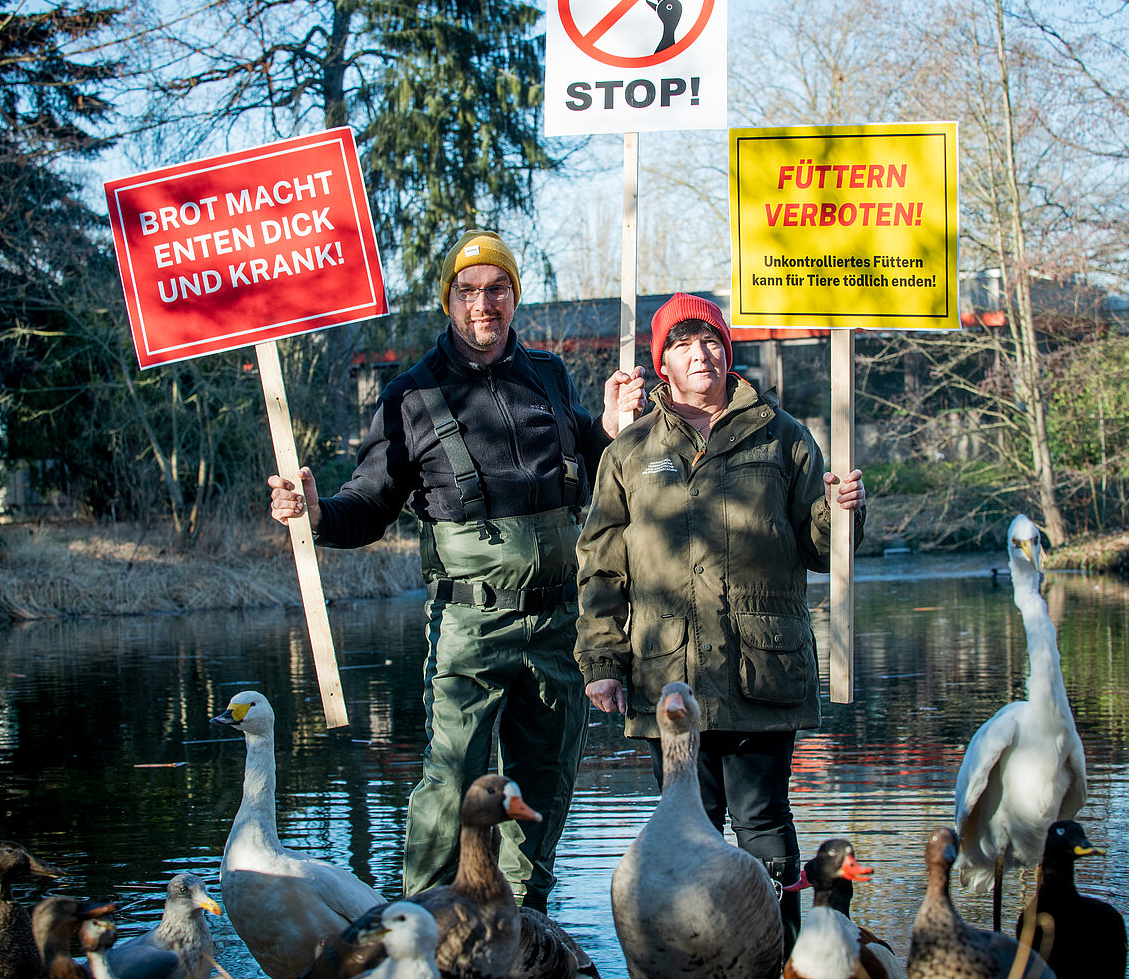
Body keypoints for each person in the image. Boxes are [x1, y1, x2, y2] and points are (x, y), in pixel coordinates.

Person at [267, 229, 643, 909]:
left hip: (559, 622)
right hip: (469, 625)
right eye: (467, 290)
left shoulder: (549, 376)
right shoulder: (411, 394)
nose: (483, 303)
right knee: (452, 777)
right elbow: (369, 504)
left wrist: (611, 428)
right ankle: (429, 922)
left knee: (547, 780)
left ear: (513, 297)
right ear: (448, 298)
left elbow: (591, 464)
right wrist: (318, 513)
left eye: (496, 288)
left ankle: (525, 919)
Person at [574, 291, 864, 956]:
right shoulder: (629, 450)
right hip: (665, 677)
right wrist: (600, 662)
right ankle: (698, 964)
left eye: (709, 342)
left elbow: (822, 551)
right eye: (681, 344)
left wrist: (841, 511)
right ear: (662, 365)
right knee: (687, 836)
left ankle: (785, 963)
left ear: (727, 352)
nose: (698, 354)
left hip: (762, 672)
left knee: (764, 827)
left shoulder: (783, 435)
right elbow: (600, 564)